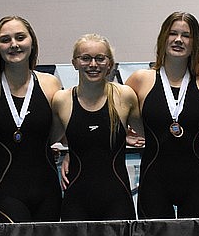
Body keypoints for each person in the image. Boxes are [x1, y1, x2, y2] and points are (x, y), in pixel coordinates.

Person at [125, 12, 199, 219]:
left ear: (195, 43)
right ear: (163, 37)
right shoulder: (141, 80)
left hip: (196, 181)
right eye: (173, 33)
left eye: (186, 35)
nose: (178, 40)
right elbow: (110, 113)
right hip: (154, 180)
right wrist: (125, 136)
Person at [0, 16, 63, 223]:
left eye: (20, 37)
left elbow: (62, 131)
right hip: (4, 189)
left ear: (31, 42)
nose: (13, 44)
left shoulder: (50, 83)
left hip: (47, 188)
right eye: (5, 39)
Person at [53, 34, 142, 221]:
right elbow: (47, 140)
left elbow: (153, 132)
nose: (93, 64)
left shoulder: (124, 96)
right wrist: (69, 152)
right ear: (74, 63)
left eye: (100, 58)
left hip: (117, 199)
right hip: (76, 200)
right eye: (85, 58)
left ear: (110, 63)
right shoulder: (62, 100)